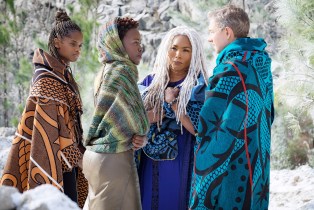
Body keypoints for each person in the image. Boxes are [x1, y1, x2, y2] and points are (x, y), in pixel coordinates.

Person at [189, 5, 275, 210]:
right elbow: (269, 114)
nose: (209, 39)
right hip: (258, 165)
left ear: (227, 32)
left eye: (211, 32)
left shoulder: (230, 69)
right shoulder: (261, 64)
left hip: (233, 173)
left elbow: (210, 129)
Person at [0, 9, 88, 207]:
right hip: (54, 160)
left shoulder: (63, 76)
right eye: (73, 44)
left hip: (67, 160)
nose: (77, 50)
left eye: (80, 46)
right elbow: (50, 132)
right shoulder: (46, 81)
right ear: (57, 42)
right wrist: (80, 160)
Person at [138, 26, 208, 210]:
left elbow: (199, 129)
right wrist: (162, 106)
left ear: (195, 54)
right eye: (174, 48)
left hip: (183, 157)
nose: (178, 55)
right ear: (166, 49)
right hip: (148, 158)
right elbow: (134, 119)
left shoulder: (199, 87)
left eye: (186, 50)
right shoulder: (150, 83)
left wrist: (175, 104)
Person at [82, 17, 150, 210]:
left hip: (97, 156)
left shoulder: (105, 70)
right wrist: (142, 133)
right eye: (135, 42)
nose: (140, 47)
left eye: (141, 42)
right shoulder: (122, 71)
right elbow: (138, 120)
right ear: (117, 44)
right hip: (113, 158)